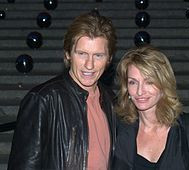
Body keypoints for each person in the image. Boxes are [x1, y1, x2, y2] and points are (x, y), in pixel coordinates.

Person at [8, 11, 117, 170]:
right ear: (68, 54)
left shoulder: (110, 100)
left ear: (109, 59)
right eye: (82, 54)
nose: (89, 65)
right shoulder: (43, 99)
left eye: (98, 55)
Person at [112, 45, 189, 170]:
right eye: (133, 82)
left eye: (149, 82)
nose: (139, 91)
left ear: (163, 85)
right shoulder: (118, 130)